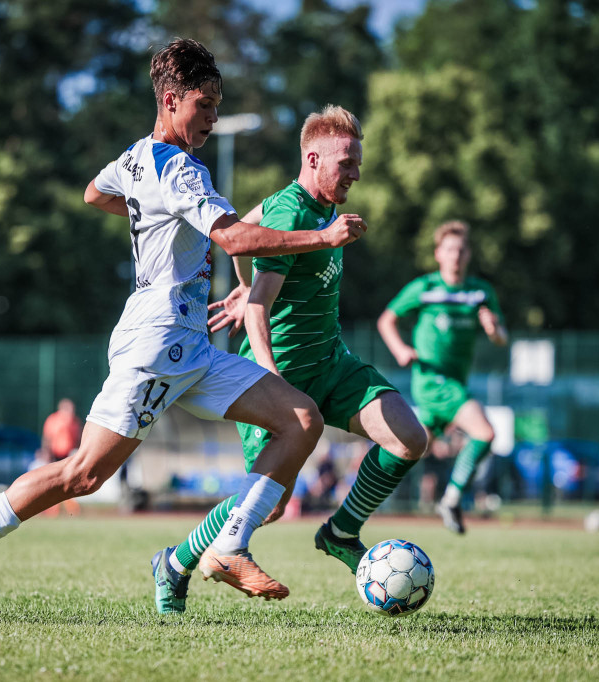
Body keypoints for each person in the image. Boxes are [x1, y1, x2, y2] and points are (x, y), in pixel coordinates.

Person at [0, 39, 368, 623]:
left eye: (217, 105)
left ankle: (228, 546)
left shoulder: (136, 158)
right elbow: (232, 239)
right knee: (81, 474)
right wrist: (322, 239)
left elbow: (95, 193)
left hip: (192, 348)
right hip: (156, 345)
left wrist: (149, 217)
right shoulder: (178, 168)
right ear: (172, 100)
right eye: (204, 105)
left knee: (300, 419)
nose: (213, 117)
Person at [150, 105, 427, 614]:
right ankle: (175, 562)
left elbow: (239, 229)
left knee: (409, 438)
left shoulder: (310, 205)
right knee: (270, 505)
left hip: (330, 360)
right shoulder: (294, 211)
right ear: (313, 157)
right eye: (346, 162)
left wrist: (241, 281)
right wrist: (271, 378)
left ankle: (341, 532)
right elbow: (257, 311)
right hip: (284, 375)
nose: (356, 173)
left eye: (358, 163)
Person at [378, 220, 507, 534]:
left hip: (456, 383)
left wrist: (493, 329)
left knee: (409, 451)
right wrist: (400, 349)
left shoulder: (480, 292)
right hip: (432, 382)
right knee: (485, 433)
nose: (455, 255)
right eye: (449, 249)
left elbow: (502, 337)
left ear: (468, 255)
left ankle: (357, 501)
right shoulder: (425, 288)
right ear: (438, 254)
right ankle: (451, 499)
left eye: (461, 250)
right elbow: (387, 320)